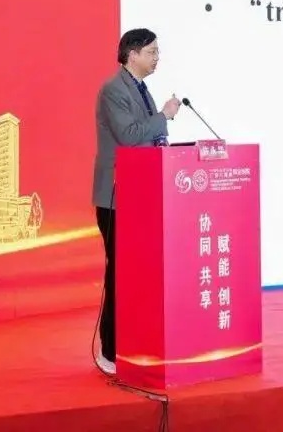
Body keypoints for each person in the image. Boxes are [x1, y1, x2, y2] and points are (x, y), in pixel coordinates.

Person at [92, 28, 181, 375]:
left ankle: (134, 342)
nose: (157, 58)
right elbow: (129, 136)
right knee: (119, 274)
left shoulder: (140, 88)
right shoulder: (114, 90)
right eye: (152, 52)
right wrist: (164, 116)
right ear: (132, 54)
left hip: (139, 194)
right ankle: (110, 350)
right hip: (116, 197)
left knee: (137, 275)